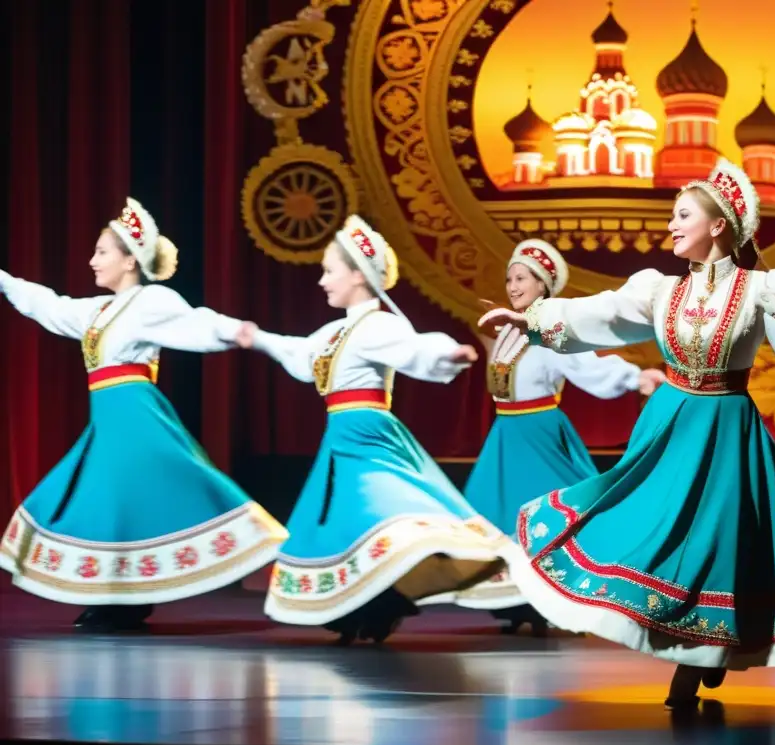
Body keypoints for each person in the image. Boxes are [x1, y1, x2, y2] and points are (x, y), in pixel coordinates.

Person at [478, 158, 775, 710]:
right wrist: (533, 320)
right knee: (650, 530)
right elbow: (602, 314)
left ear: (717, 226)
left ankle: (702, 656)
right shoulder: (660, 291)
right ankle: (685, 643)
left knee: (719, 547)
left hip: (726, 429)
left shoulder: (763, 290)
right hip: (670, 425)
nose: (671, 225)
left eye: (681, 215)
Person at [0, 197, 288, 632]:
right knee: (114, 506)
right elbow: (50, 305)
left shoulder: (151, 300)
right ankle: (120, 598)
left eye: (102, 252)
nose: (92, 260)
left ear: (130, 260)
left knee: (133, 499)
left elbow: (196, 322)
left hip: (136, 416)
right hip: (110, 421)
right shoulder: (97, 312)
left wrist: (235, 331)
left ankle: (126, 599)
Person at [234, 215, 514, 643]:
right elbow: (299, 353)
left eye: (330, 271)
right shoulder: (335, 332)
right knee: (350, 524)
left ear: (358, 275)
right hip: (341, 437)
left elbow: (415, 346)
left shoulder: (378, 325)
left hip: (368, 433)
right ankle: (361, 605)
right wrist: (261, 339)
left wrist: (448, 354)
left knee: (380, 513)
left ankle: (383, 600)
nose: (323, 281)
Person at [421, 240, 666, 634]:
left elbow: (586, 366)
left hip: (538, 434)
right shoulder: (509, 332)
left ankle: (551, 600)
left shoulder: (550, 329)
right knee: (497, 516)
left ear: (543, 285)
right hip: (506, 436)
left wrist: (633, 378)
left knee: (547, 517)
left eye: (521, 278)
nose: (513, 285)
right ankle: (517, 601)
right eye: (509, 278)